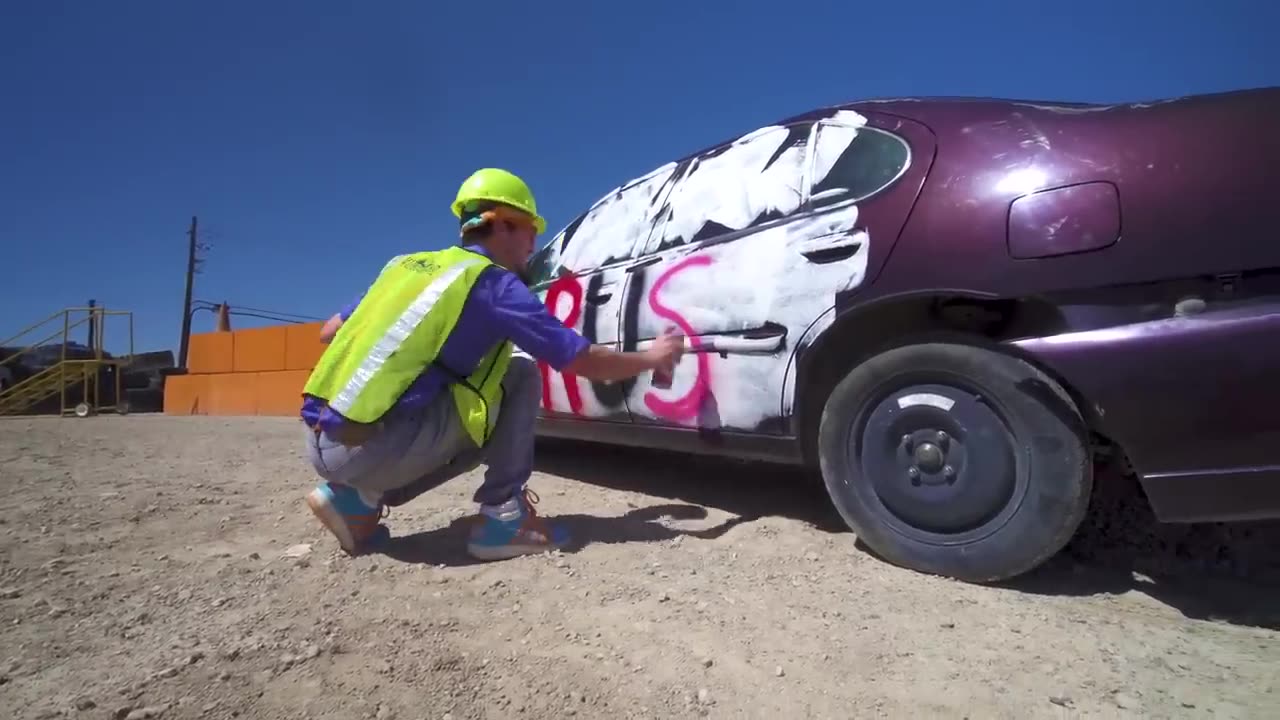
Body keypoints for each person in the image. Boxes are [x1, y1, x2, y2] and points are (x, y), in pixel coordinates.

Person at [299, 168, 685, 560]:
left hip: (322, 437)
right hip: (370, 448)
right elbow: (581, 360)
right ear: (502, 225)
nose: (534, 244)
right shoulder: (493, 284)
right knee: (517, 374)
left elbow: (329, 331)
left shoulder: (407, 266)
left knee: (459, 389)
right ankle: (503, 521)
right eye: (530, 230)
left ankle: (356, 502)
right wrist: (654, 356)